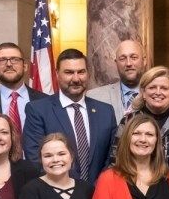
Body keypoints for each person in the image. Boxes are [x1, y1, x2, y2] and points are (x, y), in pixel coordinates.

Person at [23, 48, 115, 182]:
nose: (76, 79)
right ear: (57, 74)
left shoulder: (105, 111)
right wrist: (69, 189)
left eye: (81, 72)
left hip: (98, 194)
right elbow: (35, 158)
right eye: (69, 72)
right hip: (57, 194)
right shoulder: (38, 110)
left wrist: (99, 187)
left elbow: (113, 155)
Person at [108, 66, 169, 180]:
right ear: (143, 92)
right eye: (152, 87)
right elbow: (115, 161)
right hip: (131, 192)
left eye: (164, 88)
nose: (158, 92)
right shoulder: (128, 121)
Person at [87, 37, 148, 122]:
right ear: (116, 63)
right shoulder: (95, 97)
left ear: (144, 60)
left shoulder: (157, 96)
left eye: (134, 57)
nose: (128, 63)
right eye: (122, 59)